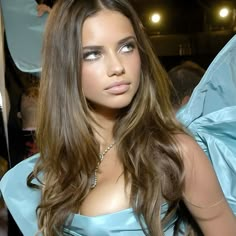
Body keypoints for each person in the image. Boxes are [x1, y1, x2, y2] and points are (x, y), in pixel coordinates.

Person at [0, 0, 236, 235]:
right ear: (65, 65)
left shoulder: (173, 151)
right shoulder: (56, 164)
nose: (117, 67)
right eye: (93, 54)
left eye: (126, 47)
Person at [17, 85, 39, 159]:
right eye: (27, 97)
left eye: (36, 97)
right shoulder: (8, 141)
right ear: (19, 114)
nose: (31, 98)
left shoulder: (58, 140)